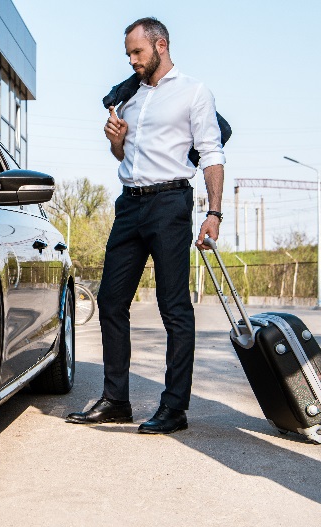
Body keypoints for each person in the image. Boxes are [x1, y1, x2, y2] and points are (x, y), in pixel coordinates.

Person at [66, 17, 225, 434]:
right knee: (110, 301)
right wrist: (116, 140)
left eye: (138, 52)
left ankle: (174, 408)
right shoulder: (131, 98)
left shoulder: (194, 92)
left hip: (171, 202)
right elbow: (124, 158)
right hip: (129, 205)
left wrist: (214, 212)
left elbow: (211, 152)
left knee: (174, 308)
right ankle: (117, 400)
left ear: (161, 45)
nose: (132, 61)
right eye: (128, 54)